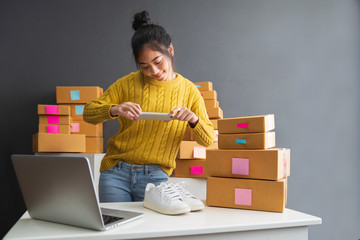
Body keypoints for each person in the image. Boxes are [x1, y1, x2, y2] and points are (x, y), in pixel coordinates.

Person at [83, 10, 215, 203]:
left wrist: (193, 119)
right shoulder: (127, 83)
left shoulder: (189, 91)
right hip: (115, 172)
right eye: (144, 66)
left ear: (170, 50)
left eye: (157, 62)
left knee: (149, 233)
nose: (153, 71)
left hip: (155, 177)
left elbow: (208, 139)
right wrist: (114, 109)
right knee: (116, 231)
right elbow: (88, 113)